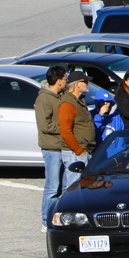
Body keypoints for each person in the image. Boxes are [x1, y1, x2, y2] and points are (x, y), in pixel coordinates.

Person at [36, 65, 68, 232]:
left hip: (63, 147)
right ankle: (45, 221)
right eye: (64, 78)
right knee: (52, 187)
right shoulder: (44, 99)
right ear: (58, 80)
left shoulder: (61, 96)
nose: (66, 81)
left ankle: (58, 219)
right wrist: (65, 127)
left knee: (64, 187)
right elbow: (45, 125)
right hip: (51, 149)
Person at [56, 70, 97, 191]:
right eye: (85, 82)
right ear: (77, 84)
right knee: (73, 188)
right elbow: (65, 131)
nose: (88, 84)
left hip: (83, 150)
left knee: (81, 187)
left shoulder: (78, 101)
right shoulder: (68, 104)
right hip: (75, 153)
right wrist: (79, 151)